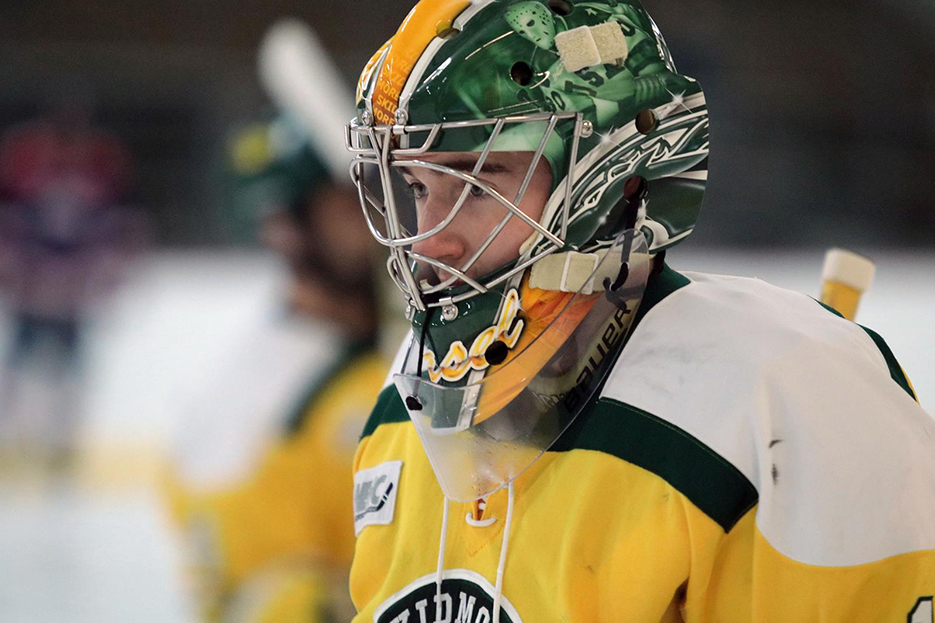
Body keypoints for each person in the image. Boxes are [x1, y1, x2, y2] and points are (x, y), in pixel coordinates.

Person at [344, 1, 935, 622]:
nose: (429, 239)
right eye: (416, 187)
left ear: (613, 175)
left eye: (478, 184)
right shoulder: (401, 411)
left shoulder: (777, 398)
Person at [165, 114, 388, 623]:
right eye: (348, 204)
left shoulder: (410, 347)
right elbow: (264, 596)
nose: (378, 220)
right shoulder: (246, 394)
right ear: (286, 229)